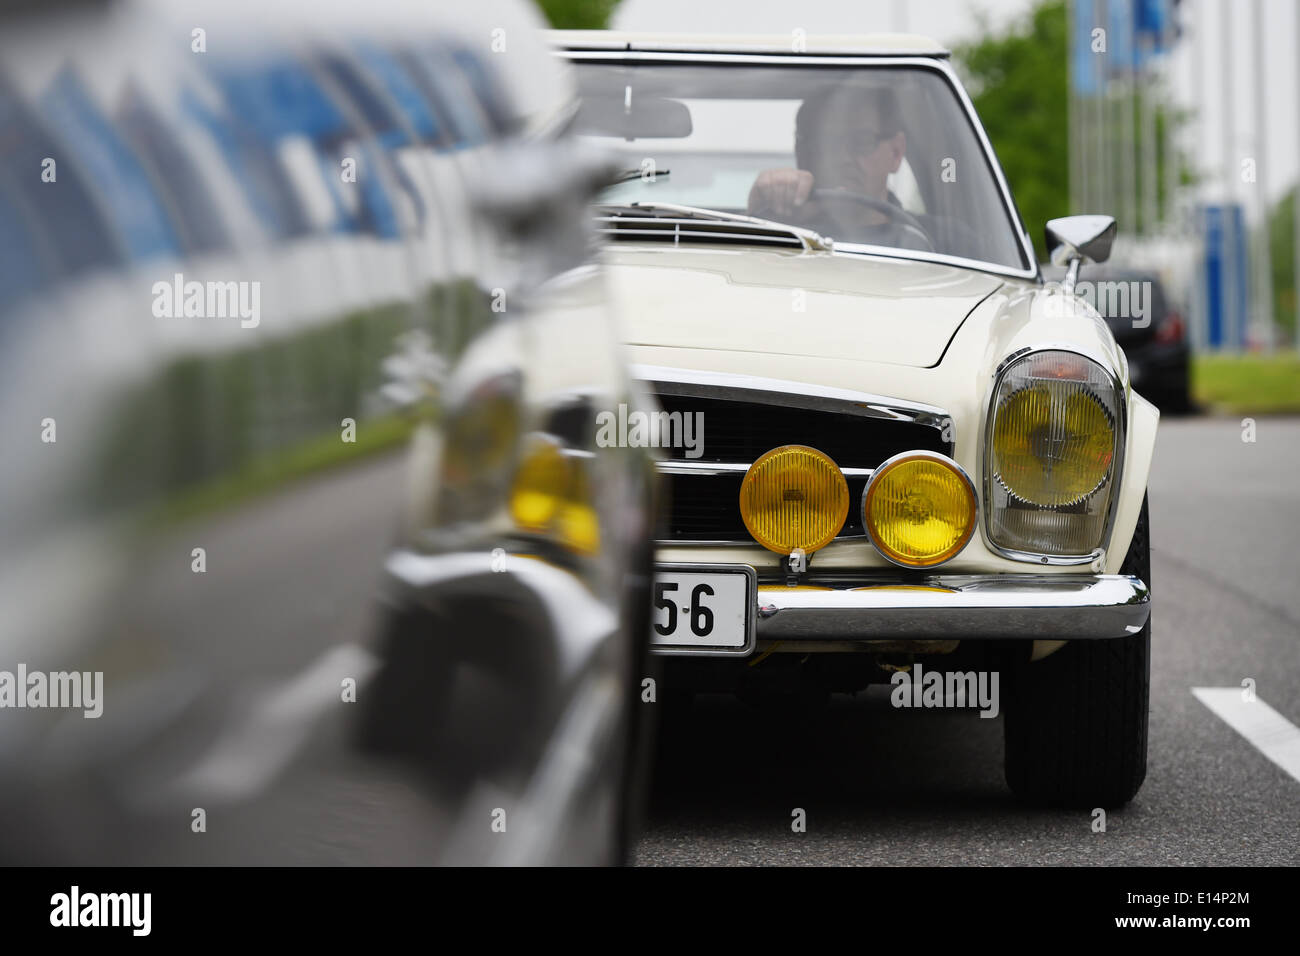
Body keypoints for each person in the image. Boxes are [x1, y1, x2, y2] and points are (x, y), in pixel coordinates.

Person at [747, 84, 931, 250]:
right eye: (826, 143)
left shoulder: (939, 242)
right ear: (802, 152)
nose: (841, 158)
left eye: (862, 141)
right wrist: (758, 218)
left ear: (896, 153)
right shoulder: (776, 231)